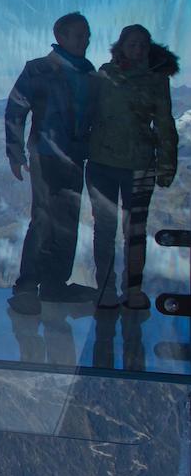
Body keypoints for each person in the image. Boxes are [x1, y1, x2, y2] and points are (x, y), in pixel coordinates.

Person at [4, 12, 98, 315]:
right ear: (61, 37)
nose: (85, 41)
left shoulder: (89, 71)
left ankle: (55, 285)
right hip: (45, 156)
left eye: (86, 36)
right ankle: (26, 288)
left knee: (68, 223)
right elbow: (16, 109)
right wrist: (15, 153)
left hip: (76, 156)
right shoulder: (39, 69)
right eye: (79, 36)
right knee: (43, 220)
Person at [86, 24, 179, 311]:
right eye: (132, 44)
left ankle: (133, 290)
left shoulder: (157, 80)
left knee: (135, 231)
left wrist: (166, 165)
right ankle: (105, 289)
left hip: (139, 165)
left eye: (143, 45)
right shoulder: (103, 75)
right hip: (101, 163)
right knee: (104, 229)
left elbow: (165, 123)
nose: (138, 50)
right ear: (121, 46)